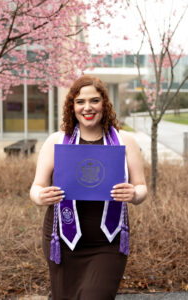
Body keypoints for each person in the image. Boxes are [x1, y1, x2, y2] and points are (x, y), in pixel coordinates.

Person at [30, 75, 147, 300]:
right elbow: (36, 187)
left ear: (105, 103)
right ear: (72, 106)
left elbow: (141, 187)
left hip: (107, 241)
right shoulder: (56, 141)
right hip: (63, 239)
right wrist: (40, 196)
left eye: (94, 100)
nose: (87, 107)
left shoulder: (125, 141)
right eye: (80, 102)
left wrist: (134, 194)